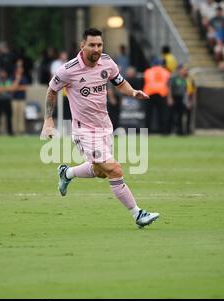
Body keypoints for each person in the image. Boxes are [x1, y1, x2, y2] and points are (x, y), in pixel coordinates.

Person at [41, 28, 159, 228]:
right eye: (92, 45)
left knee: (101, 171)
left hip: (104, 126)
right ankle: (137, 214)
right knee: (114, 169)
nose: (96, 49)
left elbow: (119, 82)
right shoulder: (68, 70)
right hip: (83, 131)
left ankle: (66, 173)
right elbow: (52, 91)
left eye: (99, 45)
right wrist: (48, 120)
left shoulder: (107, 62)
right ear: (82, 46)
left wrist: (133, 93)